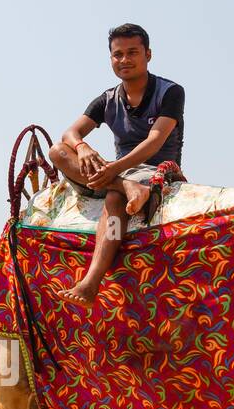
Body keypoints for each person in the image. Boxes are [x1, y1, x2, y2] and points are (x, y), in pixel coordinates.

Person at [48, 22, 185, 308]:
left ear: (148, 54)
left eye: (132, 52)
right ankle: (125, 186)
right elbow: (70, 135)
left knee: (114, 197)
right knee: (58, 152)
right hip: (119, 173)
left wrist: (112, 169)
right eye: (117, 54)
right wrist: (83, 148)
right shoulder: (107, 99)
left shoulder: (170, 92)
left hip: (156, 168)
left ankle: (90, 282)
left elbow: (155, 140)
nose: (124, 60)